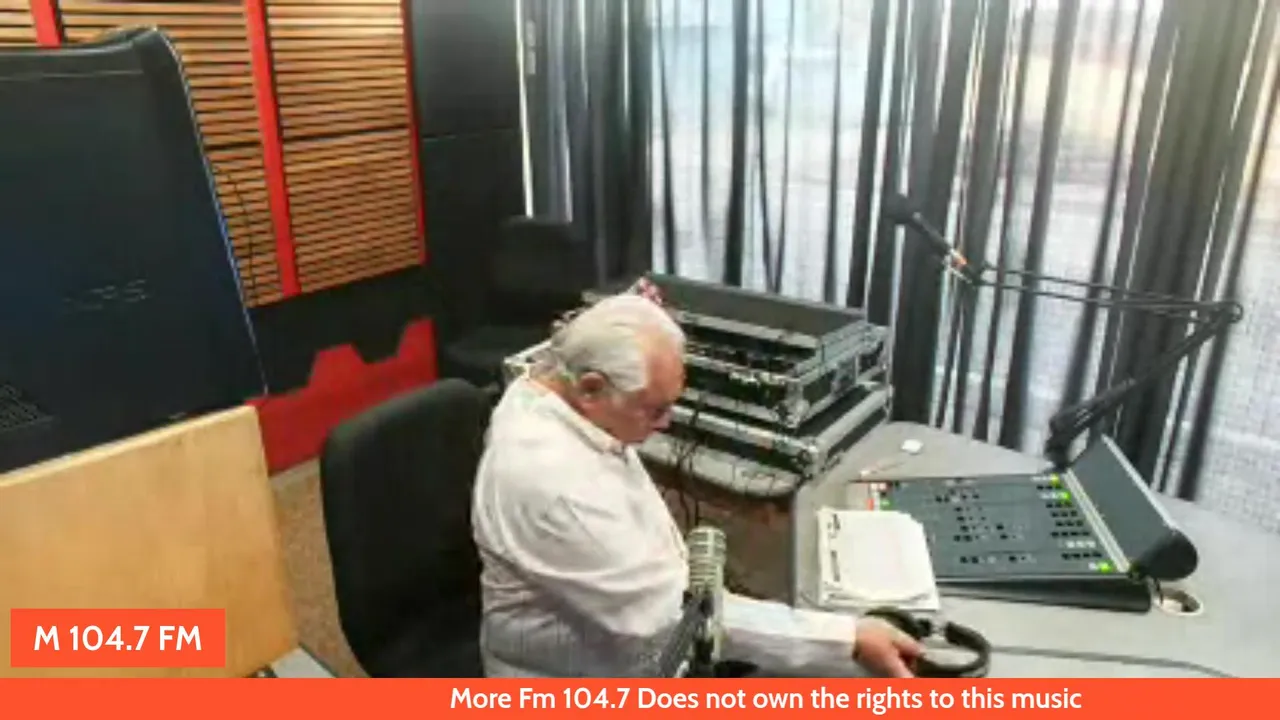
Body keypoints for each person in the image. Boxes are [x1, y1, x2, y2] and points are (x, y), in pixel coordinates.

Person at [471, 290, 923, 677]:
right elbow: (672, 619)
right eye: (654, 410)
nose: (666, 424)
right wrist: (849, 638)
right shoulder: (553, 482)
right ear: (591, 389)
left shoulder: (546, 385)